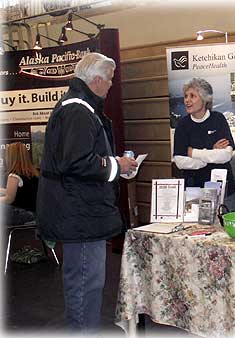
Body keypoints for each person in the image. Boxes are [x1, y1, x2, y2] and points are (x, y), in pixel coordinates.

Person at [36, 52, 137, 333]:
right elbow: (78, 162)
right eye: (109, 81)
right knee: (84, 284)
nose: (110, 86)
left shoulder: (77, 108)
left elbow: (81, 159)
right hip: (79, 215)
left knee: (87, 284)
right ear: (96, 80)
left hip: (81, 212)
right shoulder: (77, 111)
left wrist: (115, 167)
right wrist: (116, 164)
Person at [173, 78, 235, 196]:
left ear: (205, 99)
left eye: (193, 96)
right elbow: (180, 162)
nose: (187, 100)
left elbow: (226, 155)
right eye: (186, 96)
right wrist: (211, 154)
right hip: (194, 190)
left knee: (225, 215)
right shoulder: (182, 125)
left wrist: (193, 153)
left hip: (223, 190)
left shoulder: (218, 119)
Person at [0, 142, 39, 225]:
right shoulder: (34, 174)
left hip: (24, 215)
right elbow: (20, 192)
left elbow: (9, 199)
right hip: (35, 213)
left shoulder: (13, 176)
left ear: (11, 157)